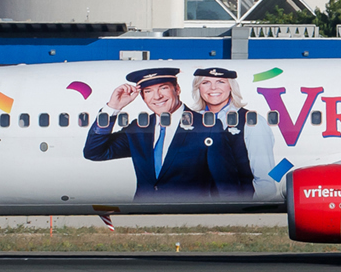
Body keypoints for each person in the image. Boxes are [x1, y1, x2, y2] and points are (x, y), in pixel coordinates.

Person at [83, 67, 223, 200]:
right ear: (143, 97)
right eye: (148, 91)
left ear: (177, 89)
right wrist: (113, 107)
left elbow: (223, 178)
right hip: (145, 215)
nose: (157, 97)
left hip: (190, 216)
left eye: (163, 88)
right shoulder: (139, 128)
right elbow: (95, 152)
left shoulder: (206, 126)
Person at [185, 67, 257, 198]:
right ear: (198, 88)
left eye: (220, 82)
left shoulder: (250, 120)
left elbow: (263, 174)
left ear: (231, 87)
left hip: (239, 201)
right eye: (205, 82)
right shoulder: (191, 120)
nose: (213, 88)